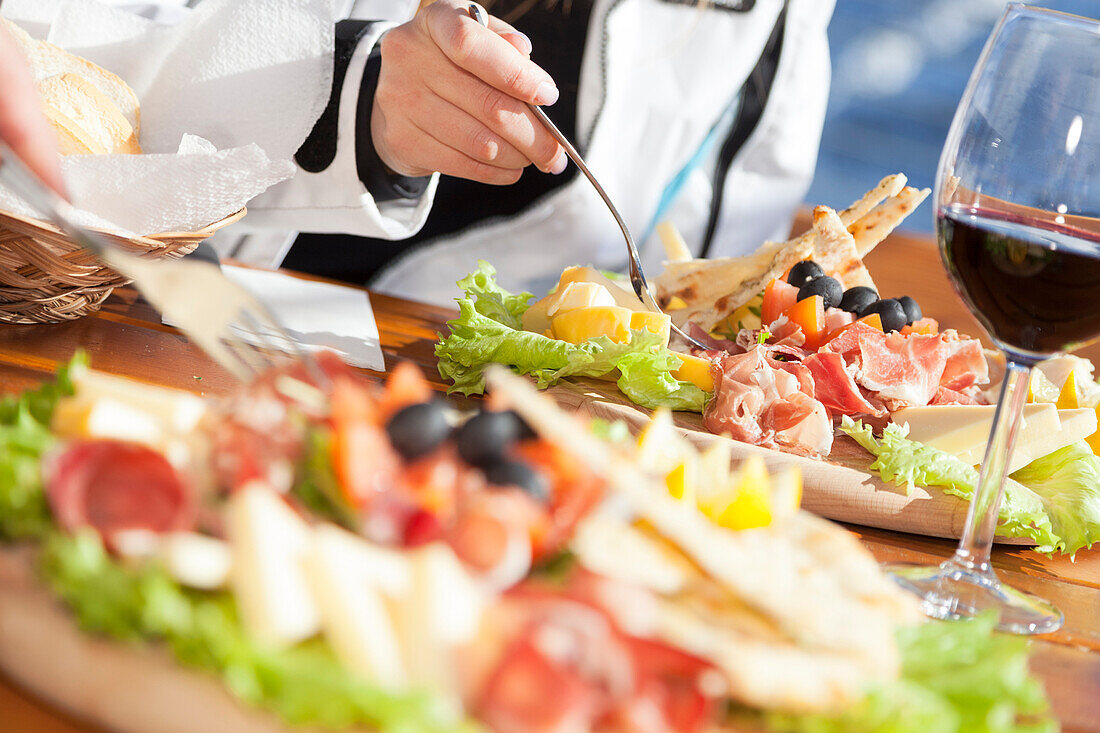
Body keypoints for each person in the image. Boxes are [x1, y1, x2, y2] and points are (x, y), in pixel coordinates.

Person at [0, 0, 835, 305]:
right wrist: (355, 96)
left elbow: (703, 268)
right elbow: (68, 57)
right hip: (201, 338)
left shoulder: (782, 21)